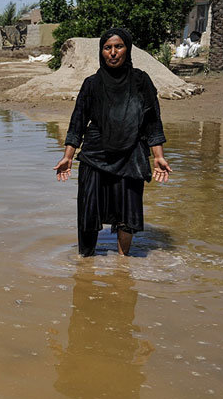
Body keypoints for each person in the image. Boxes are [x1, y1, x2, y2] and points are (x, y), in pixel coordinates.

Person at [52, 28, 172, 256]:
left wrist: (158, 156)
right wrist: (68, 156)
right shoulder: (91, 84)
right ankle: (85, 264)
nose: (113, 52)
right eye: (108, 48)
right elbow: (78, 122)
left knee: (128, 213)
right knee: (89, 211)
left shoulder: (141, 81)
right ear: (102, 51)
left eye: (119, 46)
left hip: (131, 154)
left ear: (128, 49)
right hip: (95, 155)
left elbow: (152, 121)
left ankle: (123, 265)